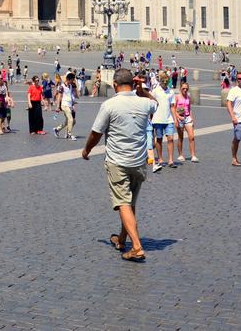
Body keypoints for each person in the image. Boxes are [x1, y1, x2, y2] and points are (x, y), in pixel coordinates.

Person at [81, 68, 155, 262]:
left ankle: (137, 247)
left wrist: (86, 150)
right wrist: (143, 90)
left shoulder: (109, 105)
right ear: (133, 84)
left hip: (118, 162)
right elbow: (156, 104)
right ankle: (122, 240)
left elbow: (96, 133)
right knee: (129, 204)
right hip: (139, 162)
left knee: (123, 202)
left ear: (115, 85)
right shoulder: (145, 103)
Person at [149, 73, 177, 171]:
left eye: (166, 80)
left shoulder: (171, 92)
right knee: (159, 139)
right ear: (160, 80)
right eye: (163, 80)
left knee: (170, 139)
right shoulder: (155, 91)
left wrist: (175, 118)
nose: (165, 82)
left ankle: (170, 160)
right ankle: (160, 158)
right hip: (158, 119)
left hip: (169, 119)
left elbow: (172, 106)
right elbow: (151, 104)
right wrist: (150, 117)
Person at [173, 82, 199, 162]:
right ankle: (180, 155)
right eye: (183, 88)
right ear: (180, 88)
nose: (185, 90)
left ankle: (193, 156)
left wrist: (192, 118)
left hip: (187, 118)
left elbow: (189, 108)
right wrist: (177, 118)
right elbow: (173, 108)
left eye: (186, 88)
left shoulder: (188, 97)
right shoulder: (177, 97)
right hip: (180, 118)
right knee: (180, 138)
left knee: (192, 137)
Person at [53, 72, 77, 140]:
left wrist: (73, 104)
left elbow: (70, 96)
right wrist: (58, 106)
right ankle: (69, 134)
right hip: (64, 105)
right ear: (68, 79)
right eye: (72, 80)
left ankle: (57, 129)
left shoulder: (71, 86)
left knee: (70, 121)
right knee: (71, 119)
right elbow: (59, 96)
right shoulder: (61, 86)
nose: (73, 81)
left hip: (69, 105)